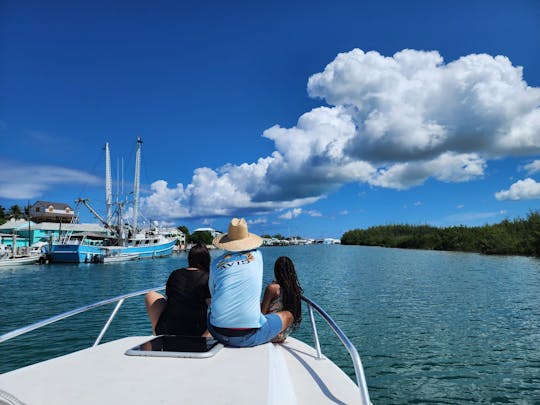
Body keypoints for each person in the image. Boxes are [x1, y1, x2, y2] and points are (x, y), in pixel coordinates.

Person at [207, 218, 293, 347]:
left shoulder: (215, 263)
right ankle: (271, 336)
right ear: (247, 240)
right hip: (248, 336)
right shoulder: (258, 256)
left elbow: (214, 293)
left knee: (210, 312)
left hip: (216, 331)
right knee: (288, 316)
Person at [145, 243, 211, 336]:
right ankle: (203, 338)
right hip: (195, 333)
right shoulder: (207, 278)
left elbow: (170, 300)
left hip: (167, 329)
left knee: (151, 295)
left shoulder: (175, 274)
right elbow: (212, 306)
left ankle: (156, 333)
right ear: (206, 260)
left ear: (189, 259)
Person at [261, 256, 303, 343]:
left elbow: (262, 313)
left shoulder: (272, 288)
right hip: (284, 334)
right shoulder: (294, 289)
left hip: (270, 333)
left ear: (276, 271)